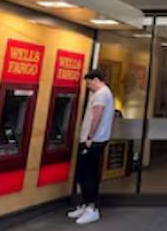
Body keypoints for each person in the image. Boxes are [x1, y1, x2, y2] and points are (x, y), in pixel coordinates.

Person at [68, 70, 115, 225]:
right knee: (86, 173)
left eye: (89, 83)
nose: (88, 86)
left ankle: (91, 208)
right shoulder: (105, 93)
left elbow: (97, 116)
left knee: (88, 174)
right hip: (96, 140)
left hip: (93, 141)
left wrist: (89, 137)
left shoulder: (101, 94)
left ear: (95, 80)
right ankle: (86, 204)